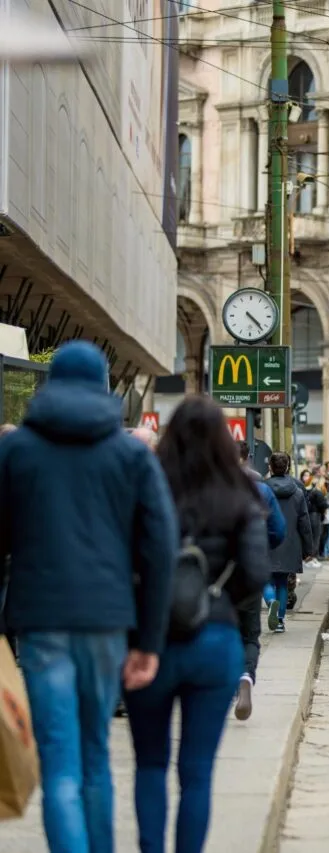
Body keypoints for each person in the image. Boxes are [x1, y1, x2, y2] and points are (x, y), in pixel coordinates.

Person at [0, 341, 178, 852]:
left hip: (40, 621)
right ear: (106, 386)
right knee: (96, 755)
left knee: (59, 761)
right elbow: (161, 546)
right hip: (107, 621)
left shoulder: (16, 450)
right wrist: (150, 639)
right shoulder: (130, 453)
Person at [125, 395, 271, 853]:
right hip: (216, 639)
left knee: (149, 764)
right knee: (197, 771)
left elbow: (124, 558)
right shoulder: (239, 494)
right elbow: (255, 573)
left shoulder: (147, 486)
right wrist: (220, 598)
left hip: (150, 640)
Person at [235, 441, 287, 720]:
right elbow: (278, 531)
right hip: (250, 570)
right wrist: (260, 545)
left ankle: (227, 679)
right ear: (247, 458)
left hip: (215, 576)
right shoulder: (261, 490)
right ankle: (245, 676)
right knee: (249, 635)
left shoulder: (205, 486)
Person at [265, 453, 314, 632]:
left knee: (265, 579)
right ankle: (279, 621)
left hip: (266, 542)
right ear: (287, 467)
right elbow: (304, 522)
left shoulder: (262, 489)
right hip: (289, 543)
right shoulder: (298, 492)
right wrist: (309, 548)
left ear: (270, 467)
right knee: (282, 583)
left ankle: (270, 602)